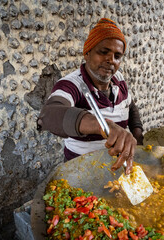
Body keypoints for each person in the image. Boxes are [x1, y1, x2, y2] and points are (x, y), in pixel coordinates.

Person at [37, 18, 143, 174]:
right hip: (83, 174)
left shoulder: (118, 79)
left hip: (117, 169)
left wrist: (138, 137)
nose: (111, 61)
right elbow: (49, 115)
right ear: (87, 53)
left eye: (117, 56)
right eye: (103, 52)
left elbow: (130, 105)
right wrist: (104, 126)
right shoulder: (72, 85)